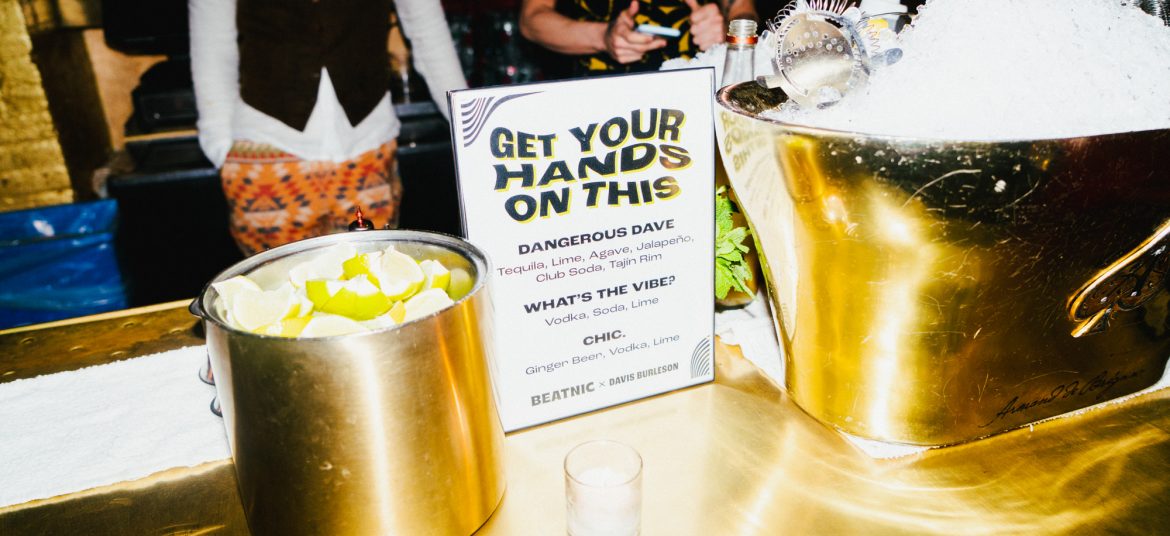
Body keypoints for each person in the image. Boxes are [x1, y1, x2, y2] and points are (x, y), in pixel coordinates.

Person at [190, 0, 466, 255]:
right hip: (265, 156)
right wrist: (221, 149)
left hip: (369, 149)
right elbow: (213, 43)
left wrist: (469, 131)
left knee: (373, 284)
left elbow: (426, 28)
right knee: (274, 288)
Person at [519, 0, 757, 76]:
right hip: (597, 100)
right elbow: (532, 18)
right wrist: (602, 37)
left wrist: (730, 35)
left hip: (697, 94)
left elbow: (742, 9)